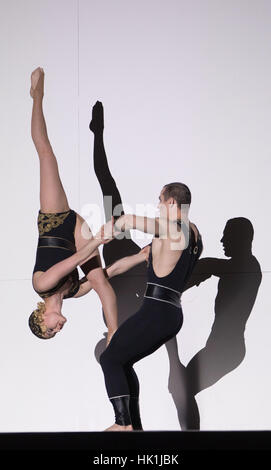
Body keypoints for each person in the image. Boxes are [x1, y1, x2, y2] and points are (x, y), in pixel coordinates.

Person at [99, 183, 203, 431]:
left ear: (172, 203)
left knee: (109, 359)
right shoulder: (195, 235)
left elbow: (133, 221)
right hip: (169, 311)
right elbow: (144, 258)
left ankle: (123, 424)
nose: (157, 205)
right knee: (122, 362)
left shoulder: (175, 230)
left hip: (157, 310)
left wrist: (115, 226)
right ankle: (134, 427)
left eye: (160, 200)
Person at [29, 66, 119, 343]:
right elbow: (107, 273)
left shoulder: (41, 285)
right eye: (55, 333)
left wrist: (98, 242)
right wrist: (140, 258)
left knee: (46, 154)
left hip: (55, 220)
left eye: (51, 329)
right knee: (101, 283)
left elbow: (74, 260)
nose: (58, 329)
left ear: (41, 317)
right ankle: (115, 332)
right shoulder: (73, 292)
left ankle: (36, 96)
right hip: (77, 232)